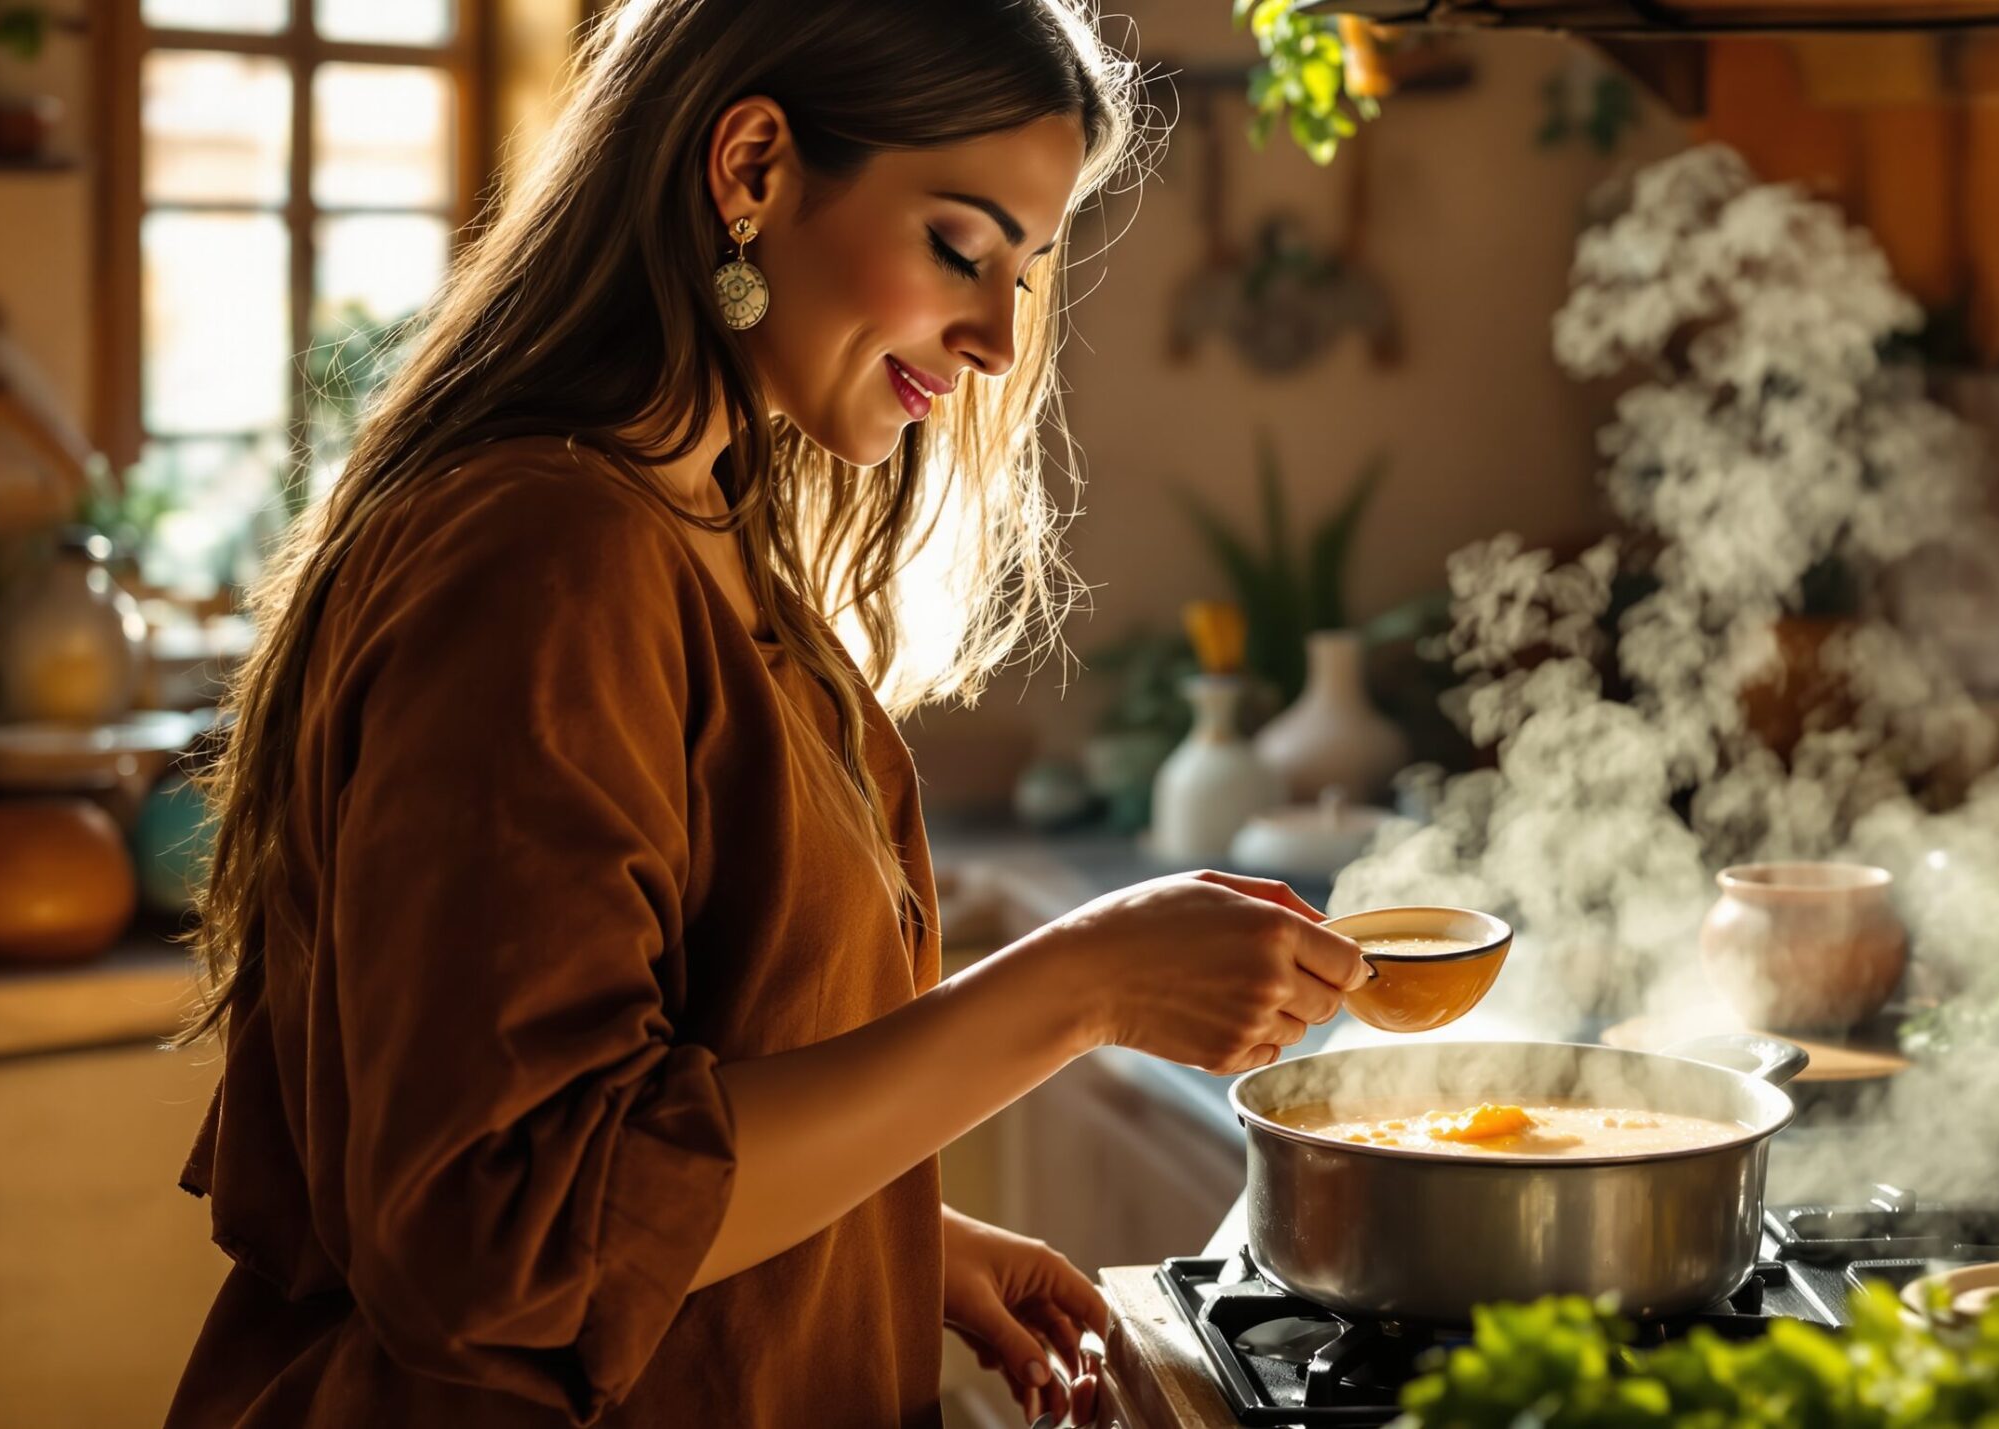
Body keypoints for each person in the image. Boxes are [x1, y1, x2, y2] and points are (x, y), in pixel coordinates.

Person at [162, 3, 1367, 1425]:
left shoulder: (702, 520)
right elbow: (504, 1227)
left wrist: (891, 1239)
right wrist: (1078, 986)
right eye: (959, 249)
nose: (992, 336)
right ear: (750, 170)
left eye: (1022, 276)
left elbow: (689, 1077)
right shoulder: (550, 553)